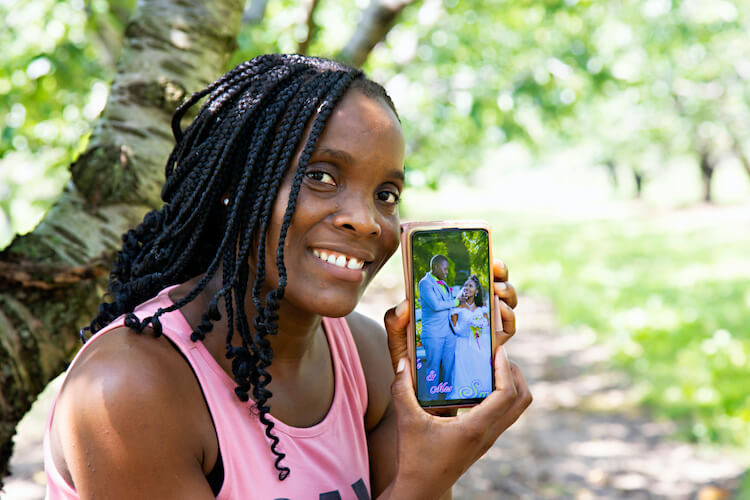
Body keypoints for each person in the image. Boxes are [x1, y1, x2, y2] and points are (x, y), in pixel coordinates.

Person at [43, 54, 530, 500]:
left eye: (385, 193)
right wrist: (424, 483)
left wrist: (436, 419)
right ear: (235, 186)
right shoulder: (128, 390)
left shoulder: (365, 355)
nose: (365, 220)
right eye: (320, 176)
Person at [417, 254, 458, 400]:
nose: (447, 272)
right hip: (433, 334)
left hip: (449, 333)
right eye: (445, 269)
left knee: (449, 367)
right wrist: (455, 303)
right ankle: (430, 399)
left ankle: (448, 397)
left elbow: (447, 305)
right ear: (435, 267)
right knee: (432, 368)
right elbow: (435, 305)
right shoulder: (425, 283)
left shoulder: (443, 283)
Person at [449, 275, 492, 400]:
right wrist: (468, 327)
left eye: (470, 286)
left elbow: (487, 326)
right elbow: (455, 328)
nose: (467, 288)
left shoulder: (481, 308)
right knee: (463, 373)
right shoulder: (458, 307)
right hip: (462, 343)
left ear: (476, 291)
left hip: (479, 343)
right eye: (465, 285)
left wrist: (478, 328)